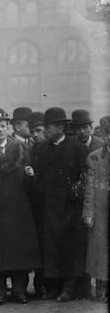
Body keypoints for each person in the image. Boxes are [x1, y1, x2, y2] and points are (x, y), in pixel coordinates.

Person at [0, 109, 41, 304]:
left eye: (3, 126)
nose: (0, 130)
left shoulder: (19, 149)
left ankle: (19, 289)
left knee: (18, 251)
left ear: (8, 127)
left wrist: (30, 176)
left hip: (16, 210)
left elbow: (29, 181)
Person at [32, 107, 89, 302]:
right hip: (49, 208)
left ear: (59, 128)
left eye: (47, 127)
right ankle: (53, 287)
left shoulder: (77, 148)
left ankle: (69, 287)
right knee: (52, 248)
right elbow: (37, 176)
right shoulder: (41, 149)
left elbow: (84, 176)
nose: (45, 131)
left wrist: (73, 194)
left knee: (70, 248)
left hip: (70, 209)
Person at [82, 116, 109, 302]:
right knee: (101, 251)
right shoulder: (95, 157)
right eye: (108, 135)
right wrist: (89, 213)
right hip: (101, 210)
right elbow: (90, 188)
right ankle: (102, 287)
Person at [27, 110, 46, 298]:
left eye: (38, 130)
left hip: (53, 206)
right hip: (37, 206)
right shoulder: (31, 150)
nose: (35, 135)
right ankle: (40, 283)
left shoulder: (53, 148)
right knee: (40, 245)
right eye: (32, 131)